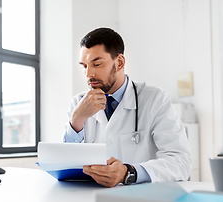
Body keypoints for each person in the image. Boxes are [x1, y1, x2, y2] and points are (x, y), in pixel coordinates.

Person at [63, 27, 192, 188]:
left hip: (141, 201)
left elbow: (181, 162)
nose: (89, 74)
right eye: (84, 66)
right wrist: (77, 120)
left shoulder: (155, 99)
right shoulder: (78, 103)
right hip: (91, 200)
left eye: (97, 64)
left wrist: (129, 172)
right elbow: (64, 164)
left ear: (120, 62)